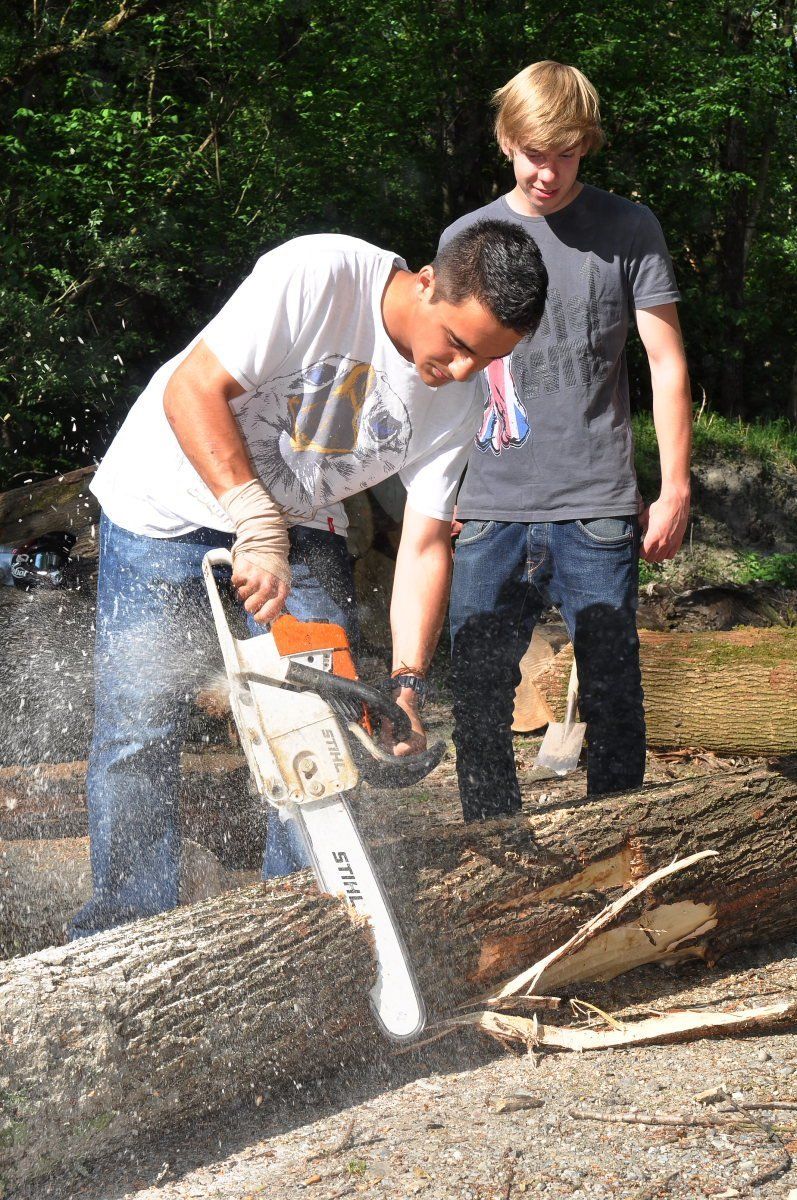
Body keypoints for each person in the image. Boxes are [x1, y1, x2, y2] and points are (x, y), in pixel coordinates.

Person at [70, 221, 548, 938]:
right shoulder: (320, 274)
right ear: (425, 282)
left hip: (302, 518)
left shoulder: (460, 398)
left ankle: (294, 932)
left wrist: (407, 684)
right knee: (138, 727)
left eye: (486, 358)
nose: (461, 370)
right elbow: (192, 390)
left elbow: (424, 546)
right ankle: (124, 933)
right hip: (161, 505)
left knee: (323, 725)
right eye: (456, 343)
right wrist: (252, 521)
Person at [441, 61, 692, 822]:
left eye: (565, 155)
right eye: (531, 154)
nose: (547, 173)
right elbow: (444, 369)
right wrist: (437, 493)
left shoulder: (628, 229)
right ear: (504, 143)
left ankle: (618, 849)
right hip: (488, 504)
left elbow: (666, 361)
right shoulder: (466, 238)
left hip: (595, 504)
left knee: (613, 692)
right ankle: (493, 847)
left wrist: (674, 488)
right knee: (477, 694)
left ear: (587, 147)